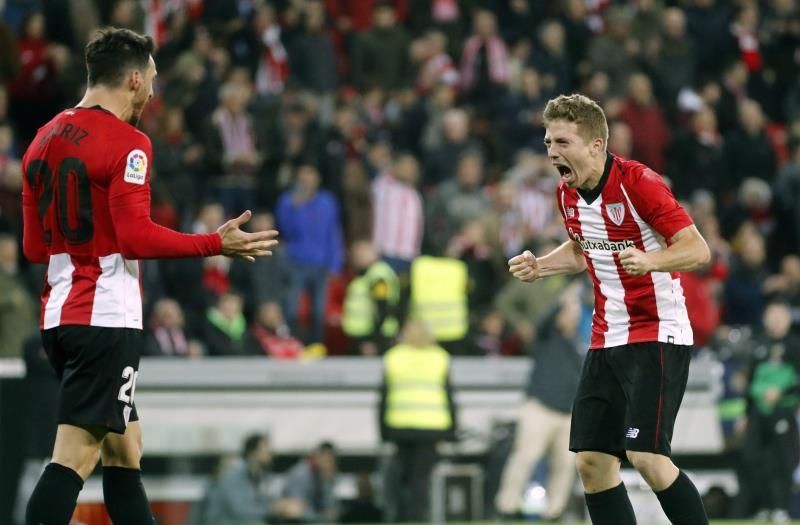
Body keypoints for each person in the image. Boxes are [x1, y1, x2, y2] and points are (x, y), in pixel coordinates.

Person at [20, 28, 279, 525]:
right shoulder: (129, 143)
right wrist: (212, 243)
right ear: (135, 78)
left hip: (59, 314)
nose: (155, 92)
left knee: (125, 450)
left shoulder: (42, 139)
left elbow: (35, 247)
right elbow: (135, 238)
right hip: (106, 320)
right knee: (72, 458)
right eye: (153, 80)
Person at [508, 94, 711, 525]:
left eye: (562, 141)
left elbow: (697, 248)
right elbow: (584, 249)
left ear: (596, 145)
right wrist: (540, 266)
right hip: (606, 337)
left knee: (647, 456)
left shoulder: (640, 183)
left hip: (658, 330)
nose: (551, 152)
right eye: (548, 142)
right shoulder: (567, 194)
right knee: (593, 464)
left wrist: (652, 259)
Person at [494, 288, 584, 521]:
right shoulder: (546, 337)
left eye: (573, 313)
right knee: (524, 458)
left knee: (565, 465)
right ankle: (506, 506)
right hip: (540, 408)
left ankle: (554, 511)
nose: (571, 316)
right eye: (567, 313)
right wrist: (561, 301)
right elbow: (542, 322)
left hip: (567, 413)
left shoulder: (578, 345)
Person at [379, 318, 457, 522]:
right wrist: (452, 430)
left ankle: (400, 517)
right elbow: (449, 396)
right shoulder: (439, 357)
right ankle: (418, 517)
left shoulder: (393, 357)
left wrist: (382, 430)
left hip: (399, 426)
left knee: (402, 477)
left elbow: (383, 396)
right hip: (431, 426)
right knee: (420, 480)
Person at [279, 441, 340, 523]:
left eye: (331, 461)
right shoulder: (300, 473)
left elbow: (330, 509)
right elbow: (295, 510)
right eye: (327, 459)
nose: (329, 464)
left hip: (313, 518)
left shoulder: (323, 475)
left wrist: (327, 481)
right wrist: (322, 516)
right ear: (318, 456)